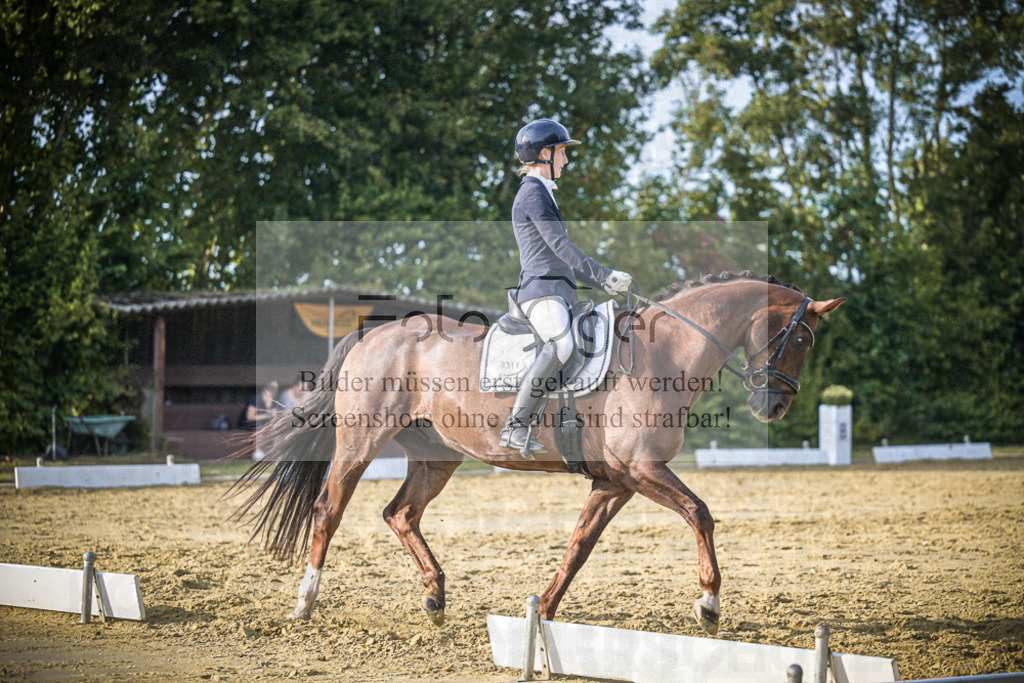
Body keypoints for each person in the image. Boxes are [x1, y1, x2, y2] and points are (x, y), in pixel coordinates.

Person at [500, 118, 632, 456]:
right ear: (545, 154)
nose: (566, 160)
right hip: (540, 291)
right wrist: (603, 274)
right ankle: (516, 427)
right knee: (560, 345)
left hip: (557, 290)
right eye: (562, 153)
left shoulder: (542, 192)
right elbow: (559, 247)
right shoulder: (532, 193)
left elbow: (564, 257)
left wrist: (606, 284)